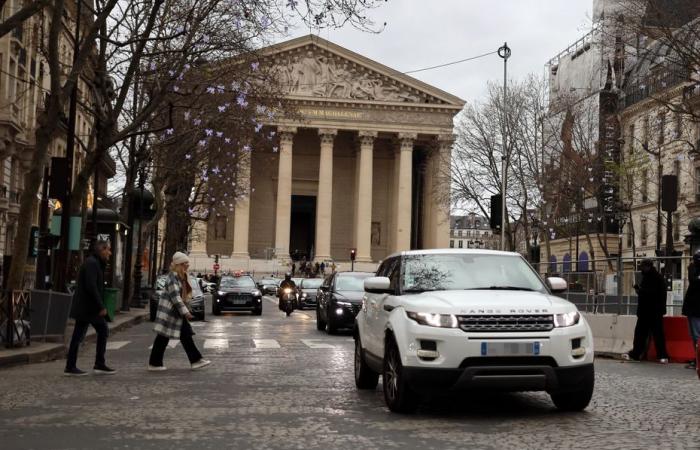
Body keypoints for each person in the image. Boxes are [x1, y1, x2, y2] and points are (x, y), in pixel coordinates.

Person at [148, 252, 211, 371]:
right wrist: (186, 312)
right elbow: (175, 297)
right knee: (176, 336)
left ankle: (155, 363)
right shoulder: (173, 278)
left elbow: (183, 296)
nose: (187, 265)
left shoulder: (180, 277)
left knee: (167, 337)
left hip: (174, 313)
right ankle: (195, 360)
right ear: (179, 265)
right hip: (169, 313)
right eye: (185, 263)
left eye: (187, 263)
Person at [64, 241, 115, 376]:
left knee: (89, 333)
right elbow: (91, 287)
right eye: (108, 250)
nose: (110, 253)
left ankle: (94, 364)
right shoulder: (92, 263)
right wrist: (101, 306)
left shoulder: (95, 263)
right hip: (87, 308)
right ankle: (78, 366)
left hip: (88, 307)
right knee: (83, 335)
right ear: (102, 250)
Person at [625, 259, 670, 363]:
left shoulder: (651, 278)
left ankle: (636, 354)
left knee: (640, 334)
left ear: (647, 267)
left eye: (642, 267)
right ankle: (662, 355)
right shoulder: (657, 277)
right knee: (658, 334)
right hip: (656, 311)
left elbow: (649, 294)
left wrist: (639, 291)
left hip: (648, 311)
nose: (641, 269)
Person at [683, 251, 700, 369]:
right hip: (694, 307)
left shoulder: (693, 268)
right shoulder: (693, 268)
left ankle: (698, 359)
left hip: (695, 307)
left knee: (696, 335)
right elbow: (694, 280)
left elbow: (694, 281)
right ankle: (697, 358)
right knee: (695, 334)